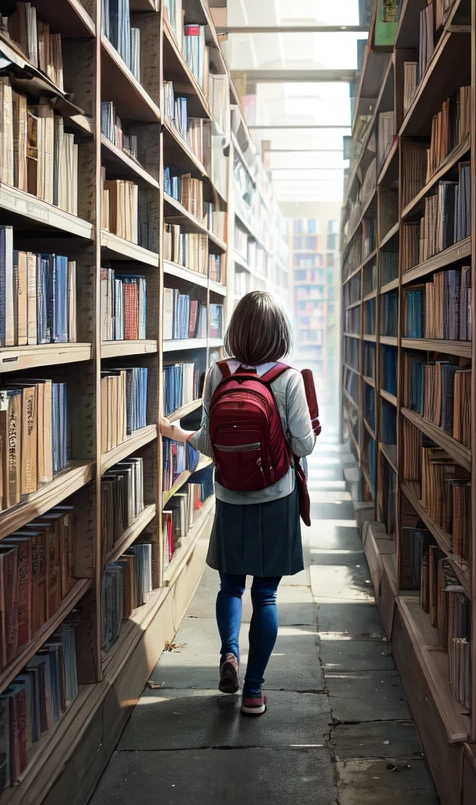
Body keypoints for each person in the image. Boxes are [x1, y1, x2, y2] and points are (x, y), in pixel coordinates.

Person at [159, 290, 316, 716]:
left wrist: (179, 435)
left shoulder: (218, 372)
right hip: (275, 498)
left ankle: (228, 655)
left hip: (229, 496)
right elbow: (304, 444)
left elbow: (210, 442)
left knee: (230, 586)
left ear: (236, 330)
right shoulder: (288, 379)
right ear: (280, 333)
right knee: (264, 595)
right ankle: (254, 691)